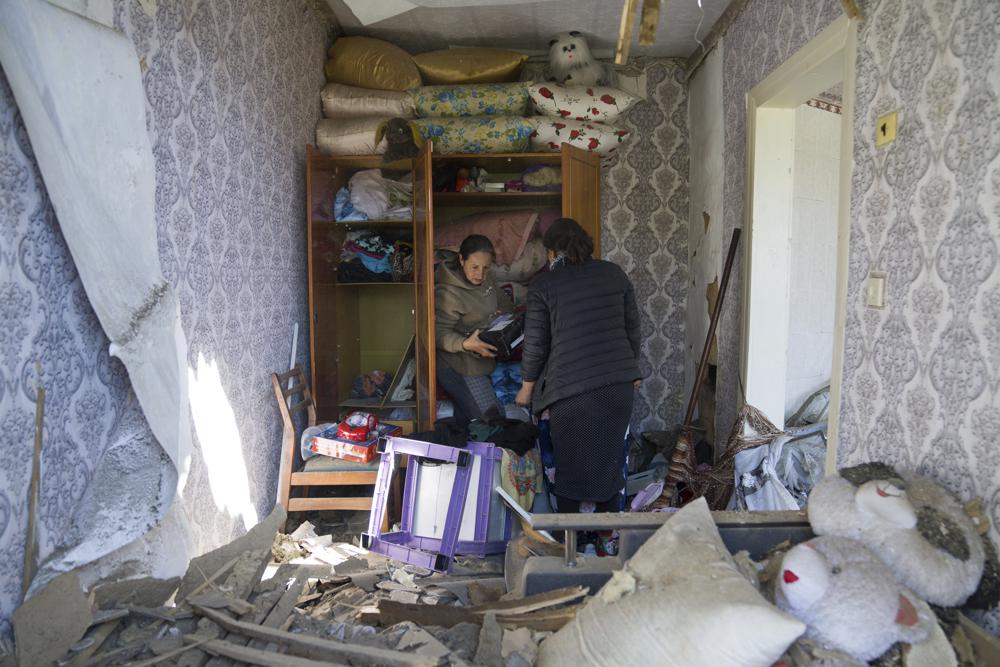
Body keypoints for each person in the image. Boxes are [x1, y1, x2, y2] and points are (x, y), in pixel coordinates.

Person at [515, 218, 641, 514]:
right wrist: (631, 371)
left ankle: (571, 545)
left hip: (571, 393)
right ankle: (608, 542)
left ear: (550, 253)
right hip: (617, 389)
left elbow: (536, 344)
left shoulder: (544, 285)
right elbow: (632, 328)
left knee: (570, 469)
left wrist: (526, 390)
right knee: (610, 465)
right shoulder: (614, 274)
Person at [435, 234, 513, 426]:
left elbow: (505, 303)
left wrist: (499, 316)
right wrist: (465, 343)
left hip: (483, 359)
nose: (480, 274)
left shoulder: (487, 279)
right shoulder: (447, 292)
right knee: (490, 420)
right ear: (461, 260)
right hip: (457, 363)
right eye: (475, 267)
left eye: (486, 268)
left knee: (498, 415)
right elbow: (437, 334)